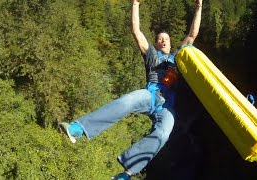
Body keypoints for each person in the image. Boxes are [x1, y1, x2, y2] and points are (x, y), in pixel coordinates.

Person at [59, 0, 202, 179]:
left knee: (164, 133)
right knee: (126, 102)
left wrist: (199, 7)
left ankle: (126, 174)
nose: (163, 41)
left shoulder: (178, 57)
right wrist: (135, 4)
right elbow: (136, 31)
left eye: (166, 39)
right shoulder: (152, 55)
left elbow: (192, 35)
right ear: (156, 43)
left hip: (167, 107)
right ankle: (77, 130)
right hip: (150, 94)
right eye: (160, 39)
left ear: (170, 43)